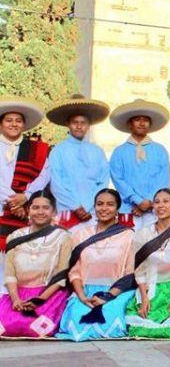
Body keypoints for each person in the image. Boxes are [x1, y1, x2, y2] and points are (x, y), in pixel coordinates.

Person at [56, 189, 136, 341]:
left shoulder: (128, 236)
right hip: (85, 291)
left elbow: (130, 273)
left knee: (111, 321)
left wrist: (108, 296)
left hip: (115, 292)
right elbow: (75, 272)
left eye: (110, 204)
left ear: (117, 208)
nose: (104, 208)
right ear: (94, 206)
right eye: (100, 204)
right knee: (76, 322)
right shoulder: (80, 235)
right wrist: (82, 296)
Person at [125, 189, 170, 338]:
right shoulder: (143, 234)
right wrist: (144, 298)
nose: (161, 205)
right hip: (152, 287)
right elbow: (139, 269)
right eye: (157, 202)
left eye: (166, 201)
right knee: (141, 327)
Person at [0, 190, 71, 337]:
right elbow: (10, 274)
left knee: (37, 329)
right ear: (28, 210)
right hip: (17, 295)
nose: (40, 212)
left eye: (46, 208)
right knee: (6, 327)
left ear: (54, 212)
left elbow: (61, 275)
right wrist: (15, 299)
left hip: (49, 295)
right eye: (35, 207)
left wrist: (39, 300)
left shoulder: (63, 237)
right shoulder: (15, 236)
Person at [0, 97, 51, 293]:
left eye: (18, 120)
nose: (14, 124)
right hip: (6, 208)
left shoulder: (36, 149)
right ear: (1, 122)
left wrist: (27, 196)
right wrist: (14, 202)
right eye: (9, 120)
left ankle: (13, 307)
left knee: (19, 262)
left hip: (26, 210)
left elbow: (44, 175)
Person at [46, 95, 111, 232]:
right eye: (75, 122)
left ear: (88, 126)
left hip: (93, 212)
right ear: (68, 124)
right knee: (67, 250)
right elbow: (56, 184)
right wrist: (75, 206)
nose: (79, 126)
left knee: (93, 250)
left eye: (83, 123)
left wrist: (88, 205)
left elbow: (103, 181)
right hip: (67, 211)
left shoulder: (97, 151)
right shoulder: (58, 151)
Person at [109, 99, 170, 229]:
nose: (142, 123)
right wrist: (137, 200)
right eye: (137, 119)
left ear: (150, 124)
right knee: (128, 246)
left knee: (153, 246)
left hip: (154, 210)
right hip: (128, 209)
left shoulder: (160, 150)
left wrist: (148, 201)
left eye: (145, 120)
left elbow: (163, 179)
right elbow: (118, 179)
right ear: (130, 124)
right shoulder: (119, 151)